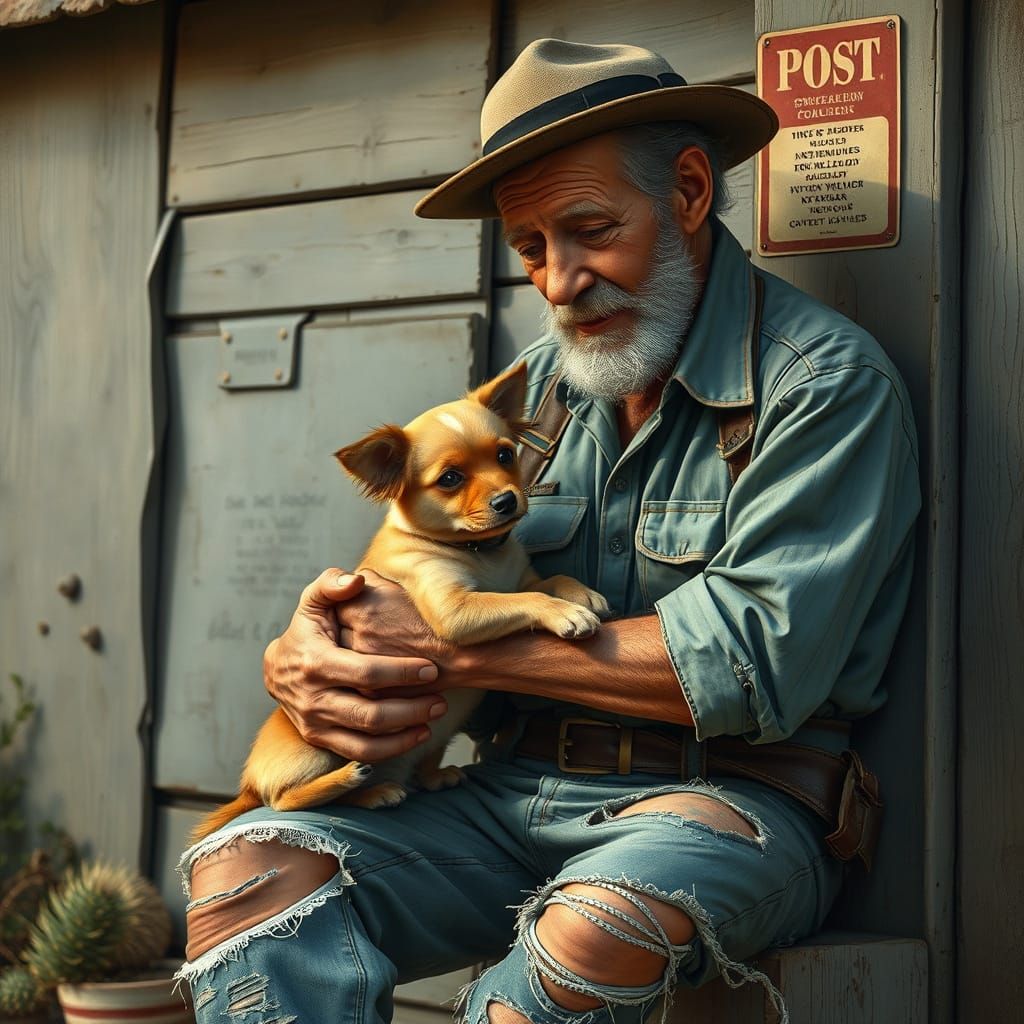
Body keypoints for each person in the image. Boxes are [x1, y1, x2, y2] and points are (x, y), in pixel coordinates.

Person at [176, 40, 920, 1024]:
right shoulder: (540, 393)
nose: (559, 280)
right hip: (508, 793)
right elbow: (407, 577)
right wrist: (311, 654)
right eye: (529, 247)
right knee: (243, 871)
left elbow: (751, 663)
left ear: (690, 191)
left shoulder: (817, 385)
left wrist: (445, 641)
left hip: (723, 806)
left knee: (592, 924)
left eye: (588, 229)